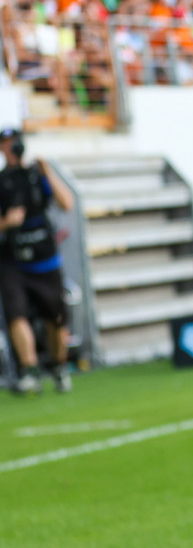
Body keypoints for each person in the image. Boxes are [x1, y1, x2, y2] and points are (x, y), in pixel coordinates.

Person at [0, 129, 76, 395]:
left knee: (55, 318)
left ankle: (58, 366)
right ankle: (30, 371)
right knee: (16, 314)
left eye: (14, 142)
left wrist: (48, 173)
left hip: (45, 259)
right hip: (13, 260)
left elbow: (67, 203)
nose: (12, 147)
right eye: (6, 143)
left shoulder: (37, 174)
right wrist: (6, 223)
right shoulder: (1, 181)